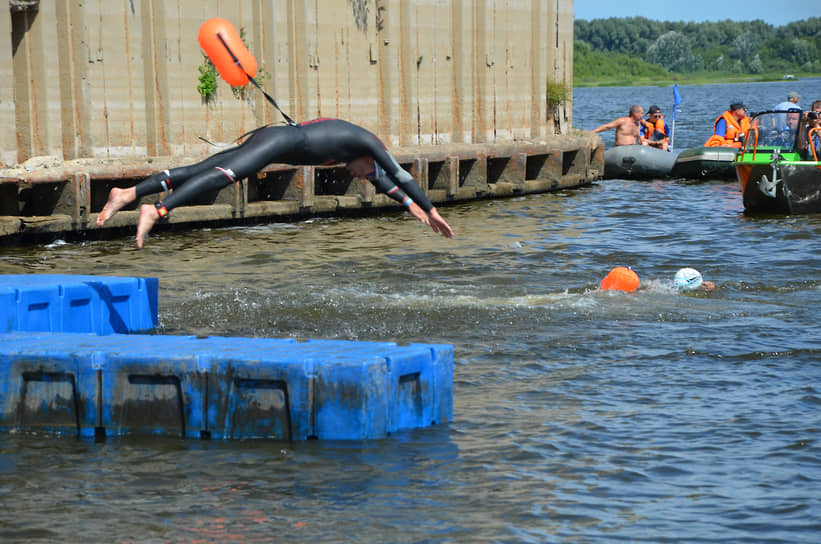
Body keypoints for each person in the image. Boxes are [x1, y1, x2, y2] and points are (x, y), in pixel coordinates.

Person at [96, 118, 455, 248]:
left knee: (198, 170)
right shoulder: (368, 144)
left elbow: (386, 184)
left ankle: (127, 193)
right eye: (366, 171)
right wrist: (432, 209)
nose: (361, 176)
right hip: (275, 142)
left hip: (270, 145)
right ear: (371, 159)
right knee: (223, 176)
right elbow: (401, 176)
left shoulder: (359, 159)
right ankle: (156, 210)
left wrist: (410, 208)